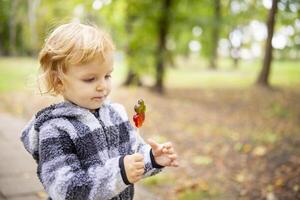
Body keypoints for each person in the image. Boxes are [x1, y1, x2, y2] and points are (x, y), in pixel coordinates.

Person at [20, 22, 178, 200]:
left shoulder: (116, 114)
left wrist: (153, 158)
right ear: (59, 82)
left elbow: (134, 156)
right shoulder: (55, 130)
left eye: (107, 76)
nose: (102, 86)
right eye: (90, 79)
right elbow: (65, 189)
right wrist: (119, 172)